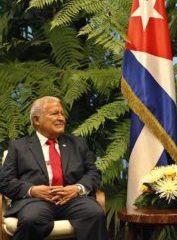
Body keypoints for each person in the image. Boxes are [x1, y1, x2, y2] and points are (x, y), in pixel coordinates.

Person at [0, 96, 107, 240]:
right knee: (32, 218)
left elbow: (93, 173)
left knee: (94, 213)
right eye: (55, 113)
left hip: (72, 200)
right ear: (37, 120)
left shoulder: (78, 144)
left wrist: (77, 188)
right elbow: (5, 180)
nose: (61, 118)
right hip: (35, 201)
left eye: (62, 114)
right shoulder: (19, 147)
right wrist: (32, 190)